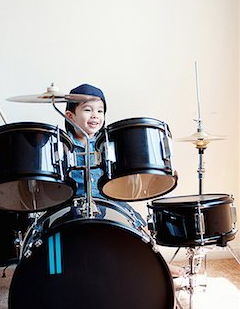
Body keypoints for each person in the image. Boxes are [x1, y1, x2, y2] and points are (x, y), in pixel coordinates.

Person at [65, 83, 183, 278]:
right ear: (70, 116)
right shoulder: (64, 145)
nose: (95, 115)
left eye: (100, 110)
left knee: (136, 223)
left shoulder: (107, 143)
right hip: (74, 202)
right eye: (87, 109)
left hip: (108, 200)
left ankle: (158, 261)